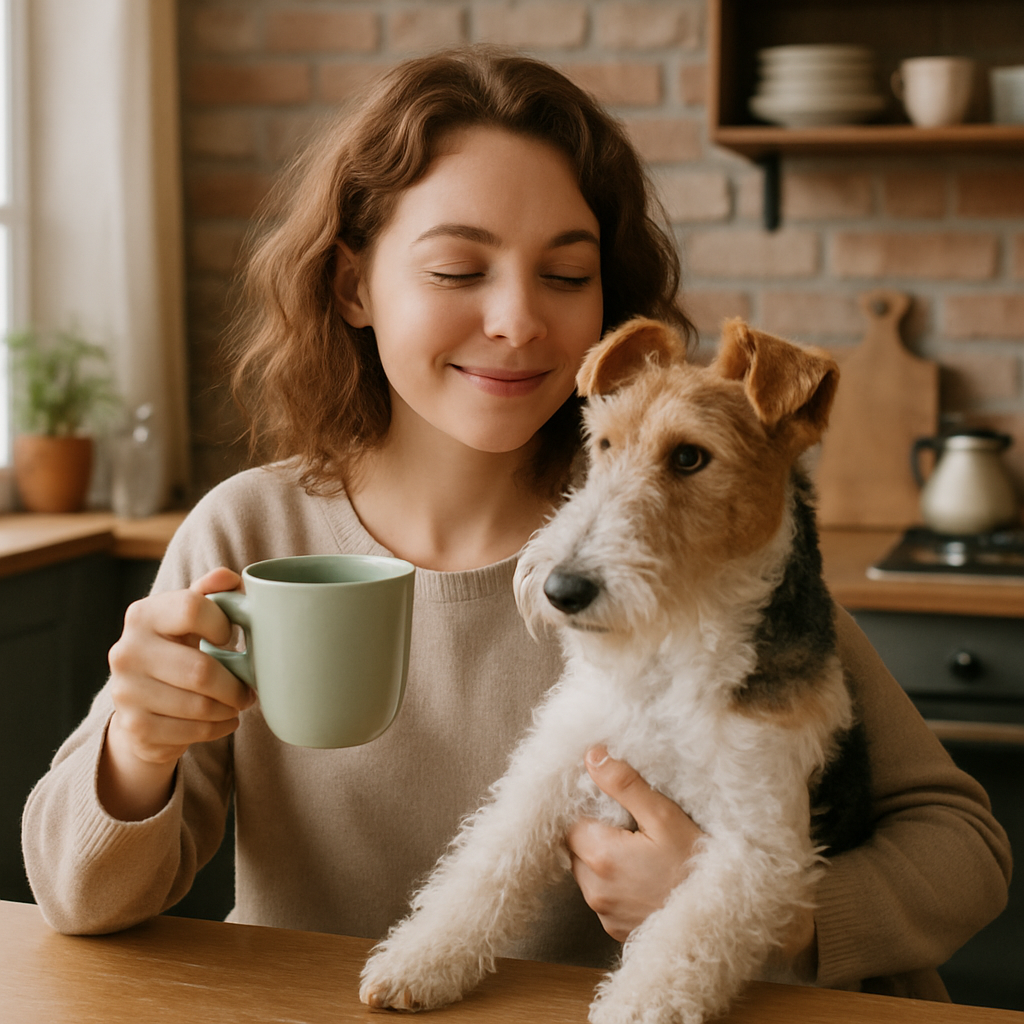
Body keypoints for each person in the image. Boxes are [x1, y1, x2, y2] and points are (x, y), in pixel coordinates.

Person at [22, 46, 1009, 1002]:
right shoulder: (248, 531)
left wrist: (780, 916)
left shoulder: (691, 539)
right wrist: (136, 748)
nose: (518, 320)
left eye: (567, 276)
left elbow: (962, 844)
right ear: (352, 284)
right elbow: (77, 897)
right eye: (458, 269)